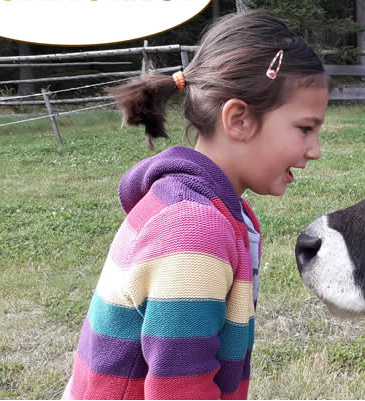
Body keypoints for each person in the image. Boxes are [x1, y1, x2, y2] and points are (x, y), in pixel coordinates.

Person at [63, 11, 330, 400]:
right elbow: (179, 389)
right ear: (238, 119)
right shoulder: (195, 230)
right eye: (305, 128)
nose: (315, 150)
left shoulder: (208, 207)